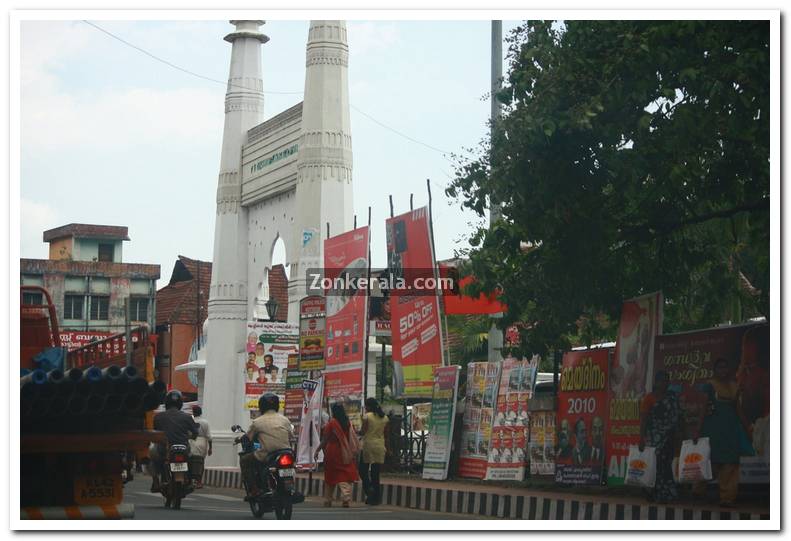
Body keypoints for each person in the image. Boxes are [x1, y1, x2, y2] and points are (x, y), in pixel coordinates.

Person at [693, 358, 753, 507]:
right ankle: (698, 491)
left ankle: (727, 498)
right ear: (715, 370)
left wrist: (748, 428)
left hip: (730, 430)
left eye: (725, 367)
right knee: (709, 461)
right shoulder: (710, 386)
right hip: (713, 430)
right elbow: (703, 408)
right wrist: (697, 430)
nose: (723, 370)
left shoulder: (734, 386)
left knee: (730, 463)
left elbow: (738, 409)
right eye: (720, 368)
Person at [239, 393, 294, 497]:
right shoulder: (284, 419)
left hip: (267, 454)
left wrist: (241, 439)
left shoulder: (257, 422)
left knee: (244, 460)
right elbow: (291, 435)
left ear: (261, 406)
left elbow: (248, 437)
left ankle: (254, 489)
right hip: (286, 452)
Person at [639, 371, 682, 503]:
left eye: (666, 381)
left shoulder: (672, 397)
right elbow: (644, 420)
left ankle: (666, 494)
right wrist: (641, 438)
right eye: (661, 381)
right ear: (655, 383)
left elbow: (679, 417)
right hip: (654, 439)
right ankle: (652, 493)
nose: (664, 384)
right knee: (654, 466)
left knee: (666, 466)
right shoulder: (649, 399)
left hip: (669, 438)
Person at [149, 390, 199, 492]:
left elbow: (155, 433)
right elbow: (195, 432)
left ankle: (155, 481)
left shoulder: (158, 417)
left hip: (164, 448)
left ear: (166, 403)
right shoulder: (187, 417)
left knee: (151, 456)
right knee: (195, 455)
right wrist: (191, 437)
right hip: (184, 448)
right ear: (180, 403)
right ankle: (192, 480)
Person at [314, 403, 359, 508]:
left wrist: (317, 450)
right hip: (345, 451)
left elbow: (325, 439)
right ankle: (346, 497)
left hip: (332, 451)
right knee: (344, 474)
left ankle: (328, 500)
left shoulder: (332, 423)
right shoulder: (347, 423)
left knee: (331, 476)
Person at [359, 397, 388, 505]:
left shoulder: (367, 416)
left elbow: (363, 431)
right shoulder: (384, 418)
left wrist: (357, 431)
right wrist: (388, 449)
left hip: (368, 445)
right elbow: (386, 435)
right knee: (376, 473)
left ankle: (369, 491)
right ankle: (376, 498)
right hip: (380, 446)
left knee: (362, 470)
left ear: (368, 406)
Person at [189, 405, 212, 489]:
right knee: (200, 462)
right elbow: (209, 436)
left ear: (193, 412)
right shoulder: (205, 422)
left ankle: (189, 480)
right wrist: (210, 448)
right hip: (202, 442)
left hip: (191, 441)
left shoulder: (190, 420)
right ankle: (199, 482)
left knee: (189, 461)